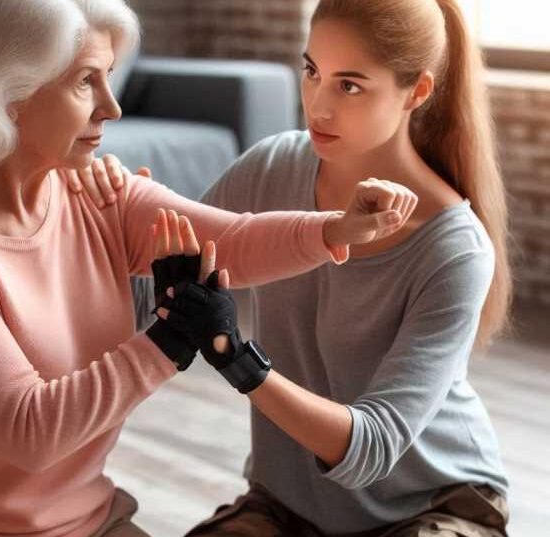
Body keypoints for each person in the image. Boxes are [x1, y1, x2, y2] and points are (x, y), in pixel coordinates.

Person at [0, 1, 417, 536]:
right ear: (9, 91)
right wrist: (169, 338)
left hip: (84, 521)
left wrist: (338, 227)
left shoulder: (93, 191)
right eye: (85, 81)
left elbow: (232, 241)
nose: (111, 107)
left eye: (108, 78)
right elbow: (29, 429)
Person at [91, 0, 512, 535]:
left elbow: (373, 447)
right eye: (313, 72)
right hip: (289, 504)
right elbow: (141, 301)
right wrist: (108, 214)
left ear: (417, 92)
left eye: (350, 85)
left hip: (430, 505)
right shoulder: (272, 168)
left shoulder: (454, 247)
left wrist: (236, 358)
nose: (319, 105)